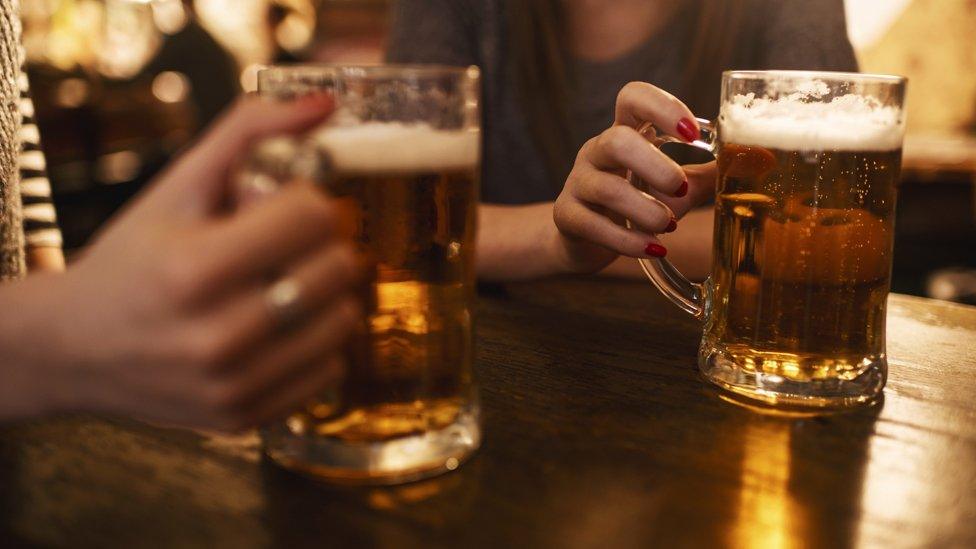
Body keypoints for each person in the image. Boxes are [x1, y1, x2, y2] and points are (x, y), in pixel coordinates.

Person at [0, 0, 364, 432]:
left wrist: (58, 297)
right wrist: (59, 333)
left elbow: (18, 188)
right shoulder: (206, 41)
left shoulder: (184, 39)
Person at [388, 0, 858, 280]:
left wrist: (593, 240)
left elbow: (831, 230)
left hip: (709, 366)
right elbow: (406, 222)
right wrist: (561, 238)